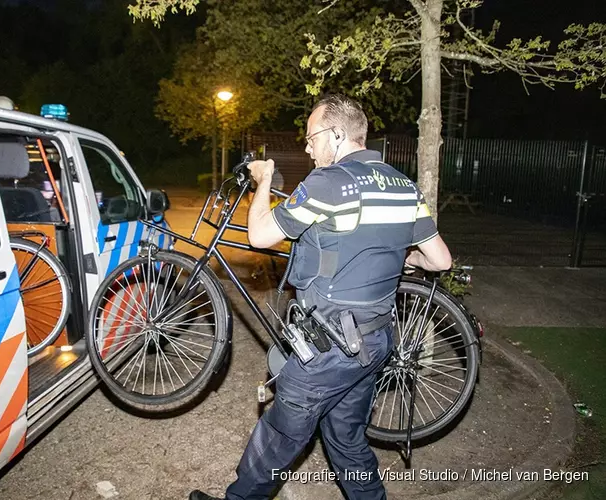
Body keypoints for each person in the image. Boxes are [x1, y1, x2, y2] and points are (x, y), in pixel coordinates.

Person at [189, 95, 452, 500]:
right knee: (345, 438)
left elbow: (259, 236)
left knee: (280, 432)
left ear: (337, 134)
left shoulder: (327, 184)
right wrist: (394, 257)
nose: (307, 147)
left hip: (332, 345)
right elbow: (439, 260)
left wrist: (263, 182)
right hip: (377, 341)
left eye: (312, 138)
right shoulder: (405, 187)